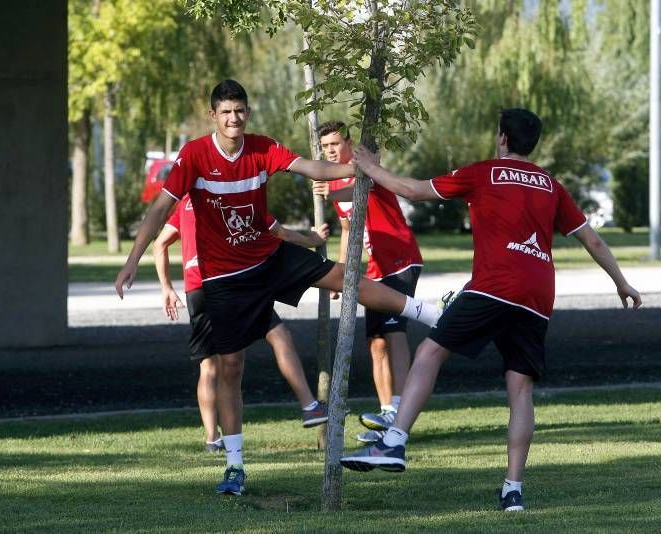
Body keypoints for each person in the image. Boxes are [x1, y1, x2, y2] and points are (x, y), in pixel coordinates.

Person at [115, 79, 442, 497]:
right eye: (226, 112)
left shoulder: (263, 147)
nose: (233, 119)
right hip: (224, 280)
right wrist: (132, 261)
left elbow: (309, 166)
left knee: (343, 275)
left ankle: (431, 313)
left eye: (240, 111)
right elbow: (160, 209)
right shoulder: (193, 156)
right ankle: (234, 467)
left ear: (247, 114)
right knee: (230, 367)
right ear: (213, 115)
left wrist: (353, 168)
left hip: (269, 257)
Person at [340, 108, 642, 512]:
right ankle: (513, 490)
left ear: (502, 138)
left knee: (430, 351)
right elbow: (593, 241)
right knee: (520, 389)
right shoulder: (551, 185)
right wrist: (621, 282)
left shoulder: (484, 172)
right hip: (537, 296)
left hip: (494, 287)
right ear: (531, 142)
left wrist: (369, 167)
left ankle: (393, 443)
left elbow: (411, 190)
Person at [153, 194, 332, 452]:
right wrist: (313, 239)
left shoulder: (185, 203)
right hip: (227, 283)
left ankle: (212, 439)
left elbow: (160, 243)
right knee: (278, 335)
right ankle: (309, 405)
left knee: (209, 368)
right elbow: (278, 232)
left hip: (195, 290)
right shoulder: (226, 192)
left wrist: (166, 287)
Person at [314, 120, 423, 444]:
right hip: (374, 268)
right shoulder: (334, 186)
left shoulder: (367, 166)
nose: (331, 150)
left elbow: (363, 188)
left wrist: (331, 188)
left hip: (401, 259)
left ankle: (400, 412)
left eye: (336, 144)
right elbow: (348, 231)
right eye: (326, 146)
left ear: (348, 142)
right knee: (375, 342)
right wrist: (341, 274)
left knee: (394, 332)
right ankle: (386, 414)